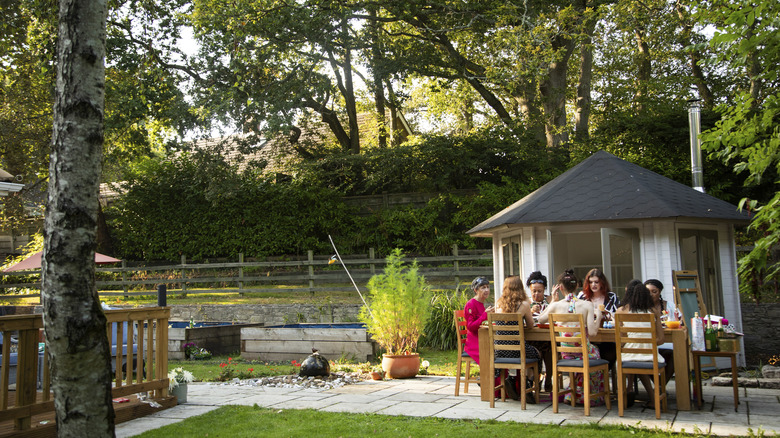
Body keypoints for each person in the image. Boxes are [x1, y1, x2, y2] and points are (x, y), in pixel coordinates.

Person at [538, 269, 606, 406]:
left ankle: (574, 393)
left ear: (560, 287)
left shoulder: (556, 306)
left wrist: (552, 301)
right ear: (577, 286)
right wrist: (599, 316)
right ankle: (588, 395)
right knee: (595, 352)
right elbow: (592, 333)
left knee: (585, 354)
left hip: (565, 353)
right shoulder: (587, 305)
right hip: (583, 352)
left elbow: (540, 319)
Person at [616, 281, 665, 407]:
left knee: (632, 357)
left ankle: (626, 395)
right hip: (650, 356)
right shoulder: (653, 312)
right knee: (640, 358)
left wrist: (632, 342)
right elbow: (661, 340)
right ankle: (654, 399)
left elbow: (621, 340)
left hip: (629, 355)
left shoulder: (621, 311)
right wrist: (648, 343)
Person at [494, 275, 540, 401]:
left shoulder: (498, 304)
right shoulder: (524, 304)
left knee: (521, 352)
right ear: (520, 288)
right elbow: (531, 325)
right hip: (518, 350)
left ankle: (512, 379)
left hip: (499, 351)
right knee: (536, 354)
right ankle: (529, 384)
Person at [578, 268, 619, 391]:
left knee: (610, 352)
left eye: (596, 282)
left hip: (607, 337)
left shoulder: (611, 297)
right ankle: (591, 385)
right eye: (591, 282)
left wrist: (606, 315)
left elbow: (618, 316)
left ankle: (601, 384)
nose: (593, 285)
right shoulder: (582, 297)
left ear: (602, 283)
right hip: (587, 338)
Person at [644, 279, 675, 384]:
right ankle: (659, 386)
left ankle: (660, 385)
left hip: (666, 343)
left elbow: (680, 322)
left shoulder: (669, 306)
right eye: (648, 292)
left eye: (654, 291)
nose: (651, 295)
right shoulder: (641, 308)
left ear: (660, 292)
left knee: (674, 355)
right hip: (648, 344)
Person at [464, 277, 494, 365]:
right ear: (476, 290)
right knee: (492, 354)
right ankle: (490, 378)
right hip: (474, 342)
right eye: (483, 287)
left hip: (483, 338)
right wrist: (485, 315)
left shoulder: (481, 303)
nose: (487, 290)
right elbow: (470, 326)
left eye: (488, 287)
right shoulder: (471, 304)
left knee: (502, 351)